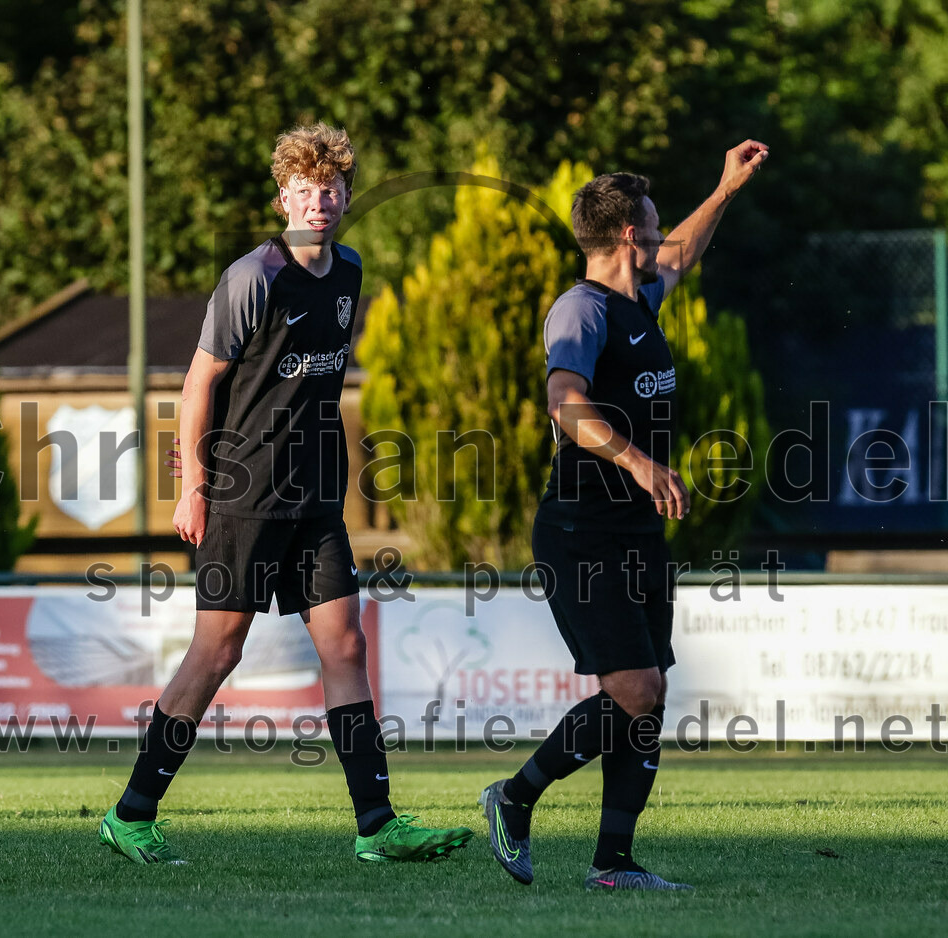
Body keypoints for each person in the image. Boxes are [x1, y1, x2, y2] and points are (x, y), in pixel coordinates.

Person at [99, 122, 473, 865]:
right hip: (243, 492)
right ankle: (131, 813)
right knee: (218, 652)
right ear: (283, 200)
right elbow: (200, 382)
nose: (320, 201)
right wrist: (193, 488)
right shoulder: (252, 277)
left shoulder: (349, 270)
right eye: (305, 191)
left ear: (345, 196)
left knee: (345, 643)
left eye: (330, 190)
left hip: (315, 496)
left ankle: (377, 825)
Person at [478, 139, 768, 890]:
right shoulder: (580, 310)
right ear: (629, 236)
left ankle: (614, 865)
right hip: (581, 529)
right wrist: (639, 461)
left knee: (650, 696)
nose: (665, 236)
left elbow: (682, 251)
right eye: (655, 223)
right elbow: (564, 404)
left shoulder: (642, 296)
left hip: (635, 529)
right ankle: (513, 797)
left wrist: (725, 187)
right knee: (633, 691)